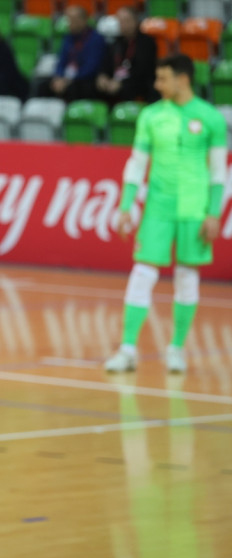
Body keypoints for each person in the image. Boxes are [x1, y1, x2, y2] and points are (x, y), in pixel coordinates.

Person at [105, 54, 227, 375]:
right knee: (142, 273)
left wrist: (214, 213)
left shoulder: (211, 118)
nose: (157, 85)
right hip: (157, 209)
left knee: (187, 277)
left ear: (182, 79)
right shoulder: (150, 116)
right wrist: (125, 205)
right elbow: (136, 163)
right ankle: (128, 348)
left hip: (194, 210)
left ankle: (176, 349)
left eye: (163, 79)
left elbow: (218, 173)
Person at [40, 5, 108, 102]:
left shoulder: (95, 39)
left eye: (72, 20)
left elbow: (91, 67)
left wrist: (68, 81)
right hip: (66, 77)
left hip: (83, 79)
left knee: (75, 88)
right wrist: (58, 77)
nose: (69, 23)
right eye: (68, 19)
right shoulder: (68, 37)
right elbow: (61, 60)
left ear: (83, 20)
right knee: (43, 86)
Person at [96, 7, 159, 106]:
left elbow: (143, 70)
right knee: (95, 87)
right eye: (120, 21)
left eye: (126, 21)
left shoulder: (146, 42)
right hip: (116, 81)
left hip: (137, 82)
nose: (123, 25)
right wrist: (102, 76)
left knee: (128, 88)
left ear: (135, 21)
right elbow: (106, 64)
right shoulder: (116, 42)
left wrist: (121, 83)